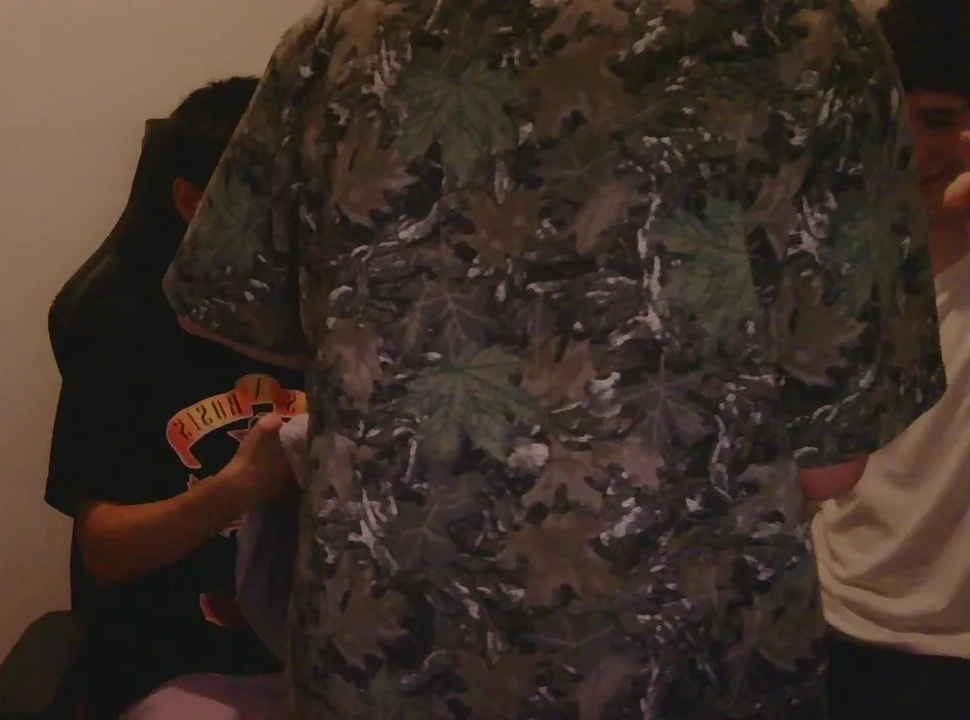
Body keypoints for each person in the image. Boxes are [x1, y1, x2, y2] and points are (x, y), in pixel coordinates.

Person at [162, 1, 946, 717]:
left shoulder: (342, 37)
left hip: (385, 660)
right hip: (682, 659)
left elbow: (228, 304)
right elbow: (832, 466)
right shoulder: (813, 40)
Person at [43, 76, 304, 716]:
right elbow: (105, 551)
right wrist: (238, 487)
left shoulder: (334, 309)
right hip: (186, 661)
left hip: (331, 646)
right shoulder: (121, 326)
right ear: (193, 203)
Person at [814, 2, 970, 717]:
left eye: (942, 120)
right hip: (829, 616)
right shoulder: (837, 261)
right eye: (888, 117)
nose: (910, 146)